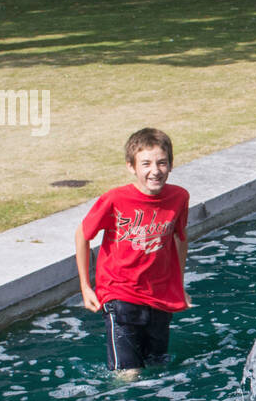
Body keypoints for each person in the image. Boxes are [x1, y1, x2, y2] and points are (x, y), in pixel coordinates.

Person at [75, 128, 190, 378]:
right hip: (120, 295)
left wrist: (178, 283)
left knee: (159, 367)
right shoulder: (115, 200)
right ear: (131, 166)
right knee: (129, 374)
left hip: (159, 296)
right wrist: (85, 287)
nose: (155, 170)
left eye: (161, 163)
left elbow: (180, 237)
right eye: (146, 164)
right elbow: (83, 235)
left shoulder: (179, 197)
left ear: (171, 164)